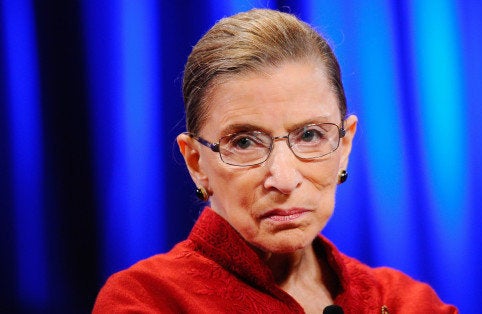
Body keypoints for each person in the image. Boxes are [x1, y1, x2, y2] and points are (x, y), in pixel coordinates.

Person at [93, 8, 457, 313]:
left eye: (310, 135)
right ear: (196, 162)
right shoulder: (148, 300)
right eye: (245, 142)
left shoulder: (405, 301)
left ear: (345, 145)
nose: (283, 179)